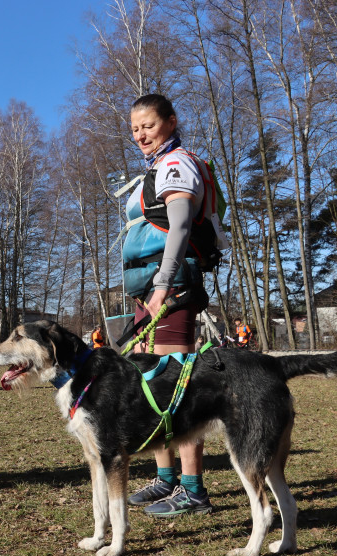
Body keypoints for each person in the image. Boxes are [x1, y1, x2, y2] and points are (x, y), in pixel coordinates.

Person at [121, 94, 216, 517]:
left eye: (149, 125)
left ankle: (193, 489)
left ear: (171, 122)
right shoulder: (155, 167)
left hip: (171, 289)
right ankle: (165, 480)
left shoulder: (176, 164)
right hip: (151, 292)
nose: (141, 134)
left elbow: (178, 227)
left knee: (177, 387)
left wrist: (162, 284)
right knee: (152, 386)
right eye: (135, 128)